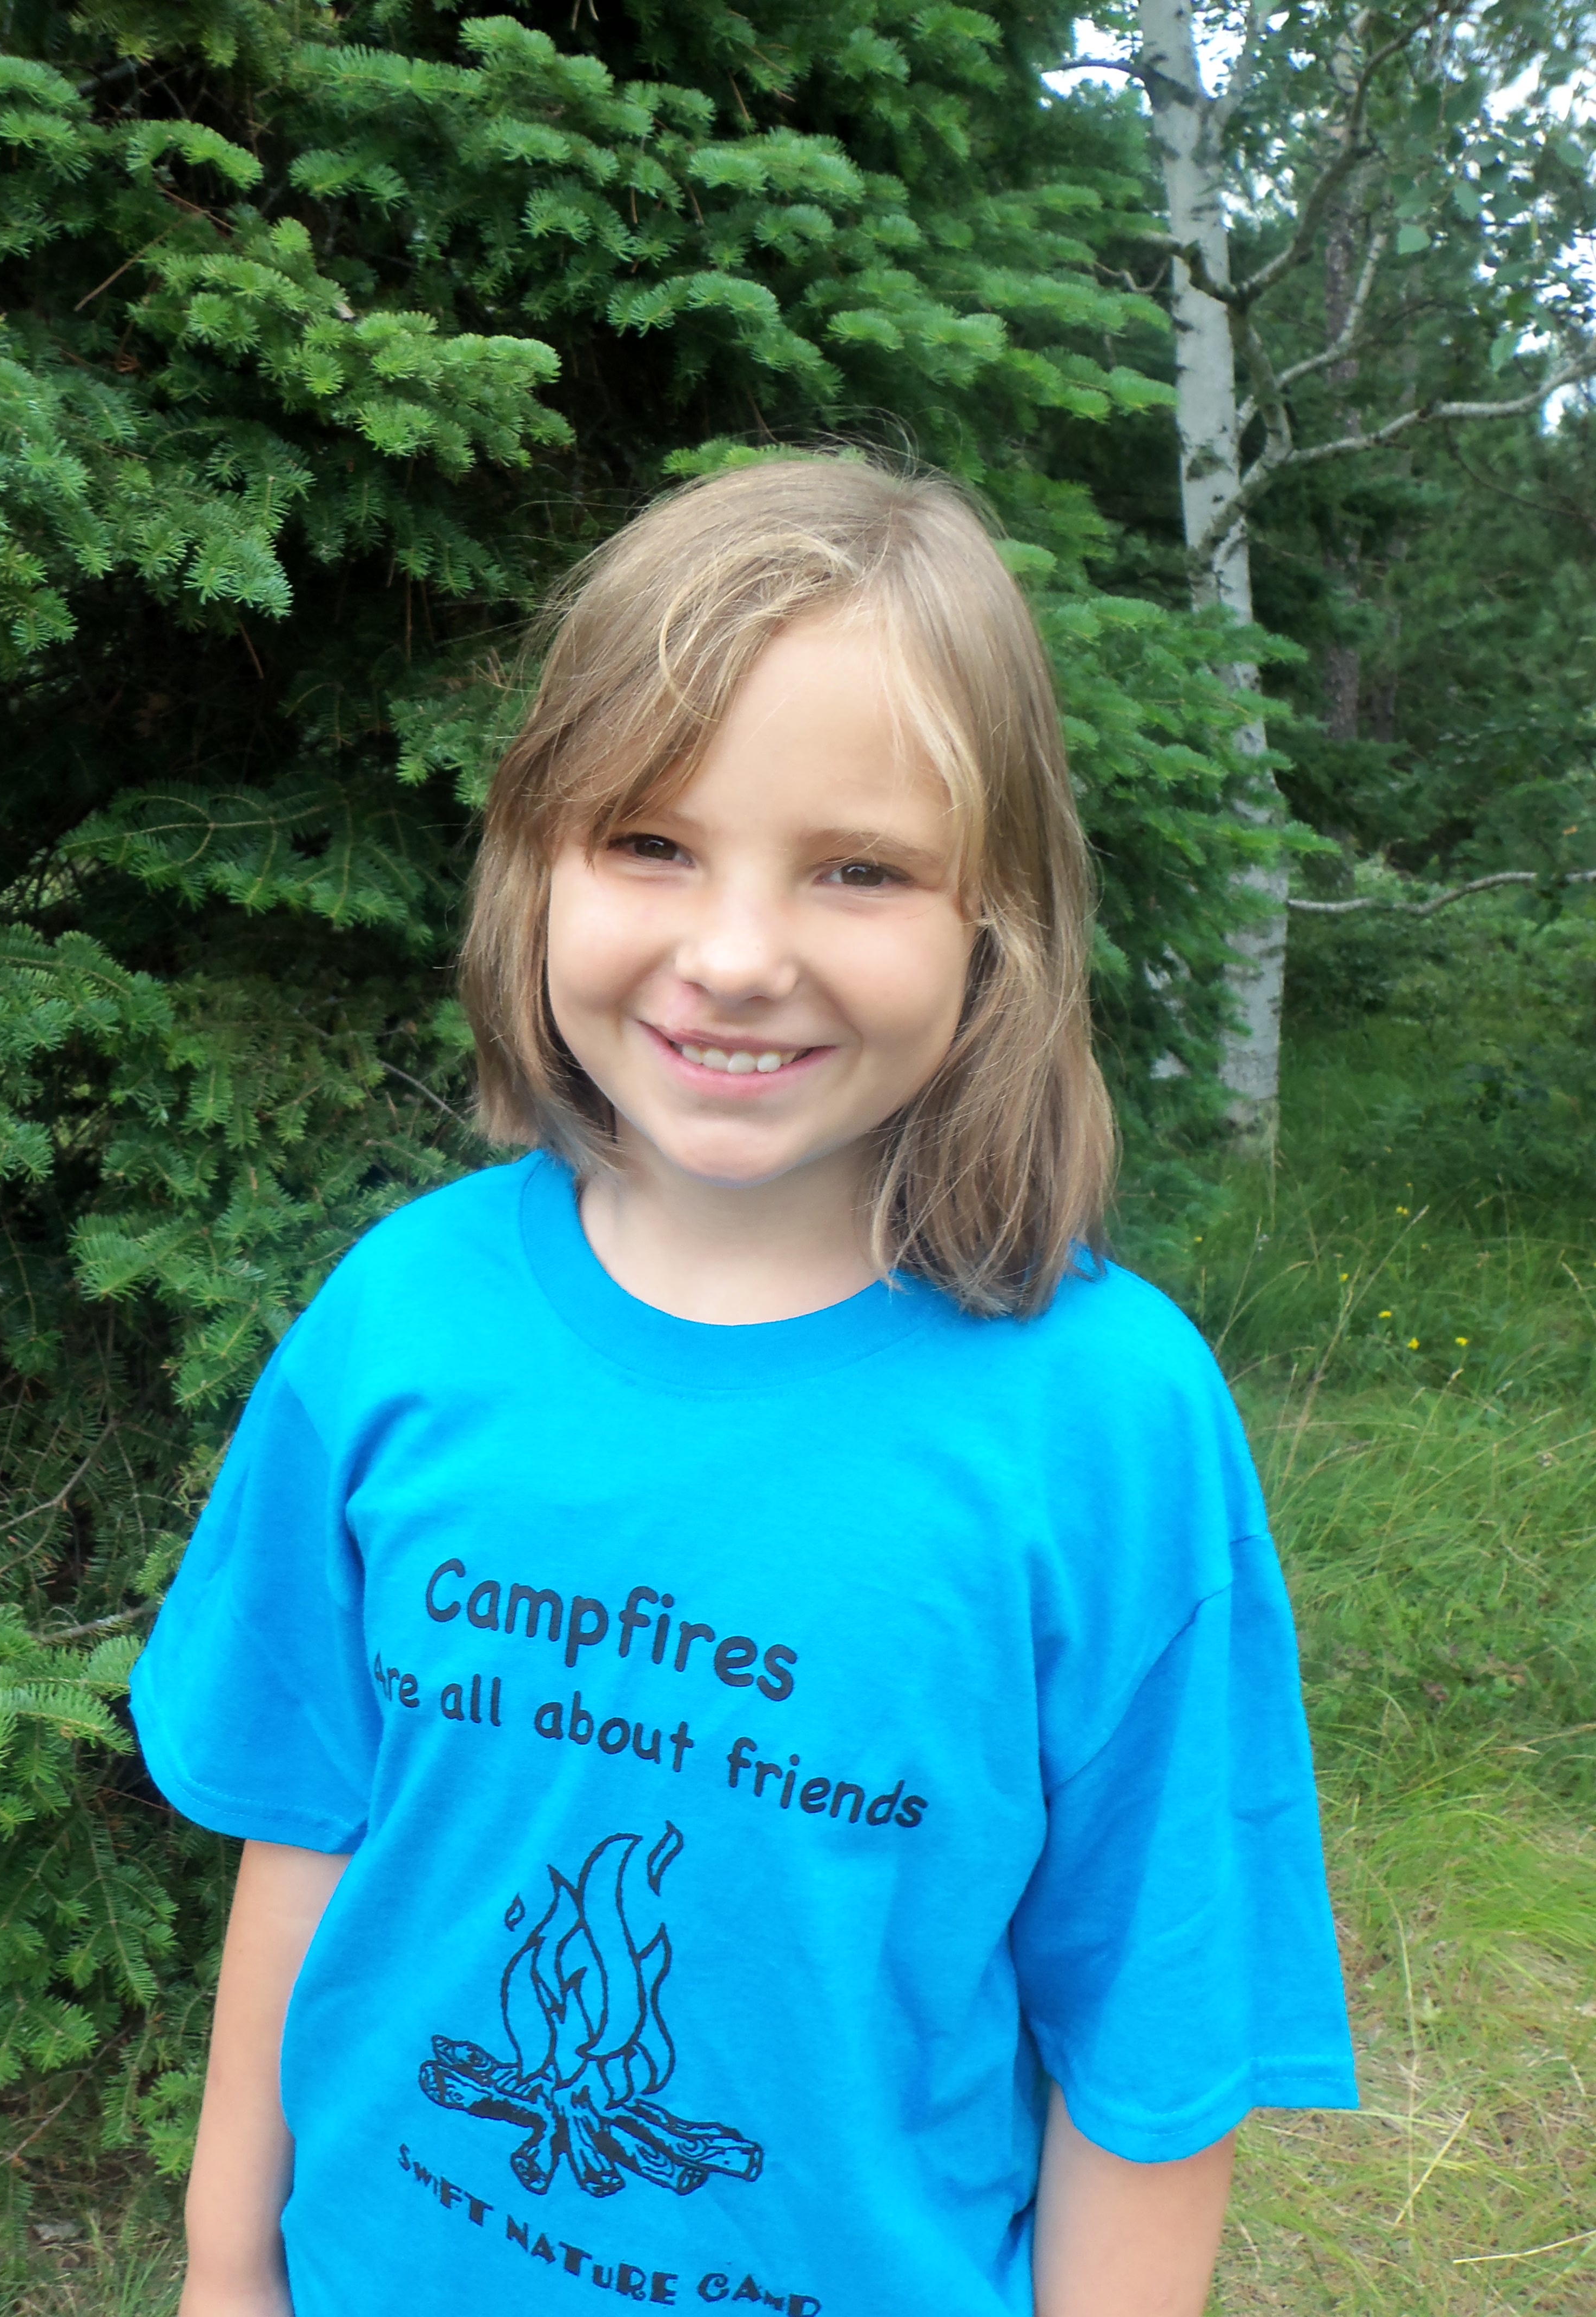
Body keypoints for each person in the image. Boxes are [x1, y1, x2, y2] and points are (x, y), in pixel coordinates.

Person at [133, 454, 1358, 2317]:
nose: (732, 958)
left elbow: (1153, 2039)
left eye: (859, 870)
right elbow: (302, 1840)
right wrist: (230, 2278)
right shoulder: (401, 1315)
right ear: (538, 860)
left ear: (999, 917)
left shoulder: (1107, 1423)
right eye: (650, 843)